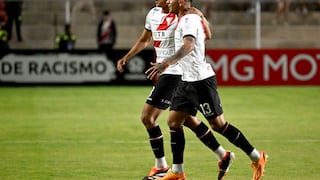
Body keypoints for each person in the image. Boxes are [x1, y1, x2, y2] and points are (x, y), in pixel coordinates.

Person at [146, 0, 268, 180]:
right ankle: (177, 172)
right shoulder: (186, 17)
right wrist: (202, 17)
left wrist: (165, 63)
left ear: (181, 1)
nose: (167, 2)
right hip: (185, 80)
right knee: (174, 122)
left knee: (218, 125)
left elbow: (188, 46)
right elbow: (208, 35)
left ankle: (257, 157)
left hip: (200, 81)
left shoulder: (189, 20)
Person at [117, 0, 234, 180]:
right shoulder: (153, 14)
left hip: (176, 71)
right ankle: (222, 155)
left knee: (148, 117)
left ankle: (162, 167)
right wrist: (127, 57)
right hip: (165, 71)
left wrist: (201, 16)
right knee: (186, 120)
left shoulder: (183, 15)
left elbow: (204, 34)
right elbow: (144, 39)